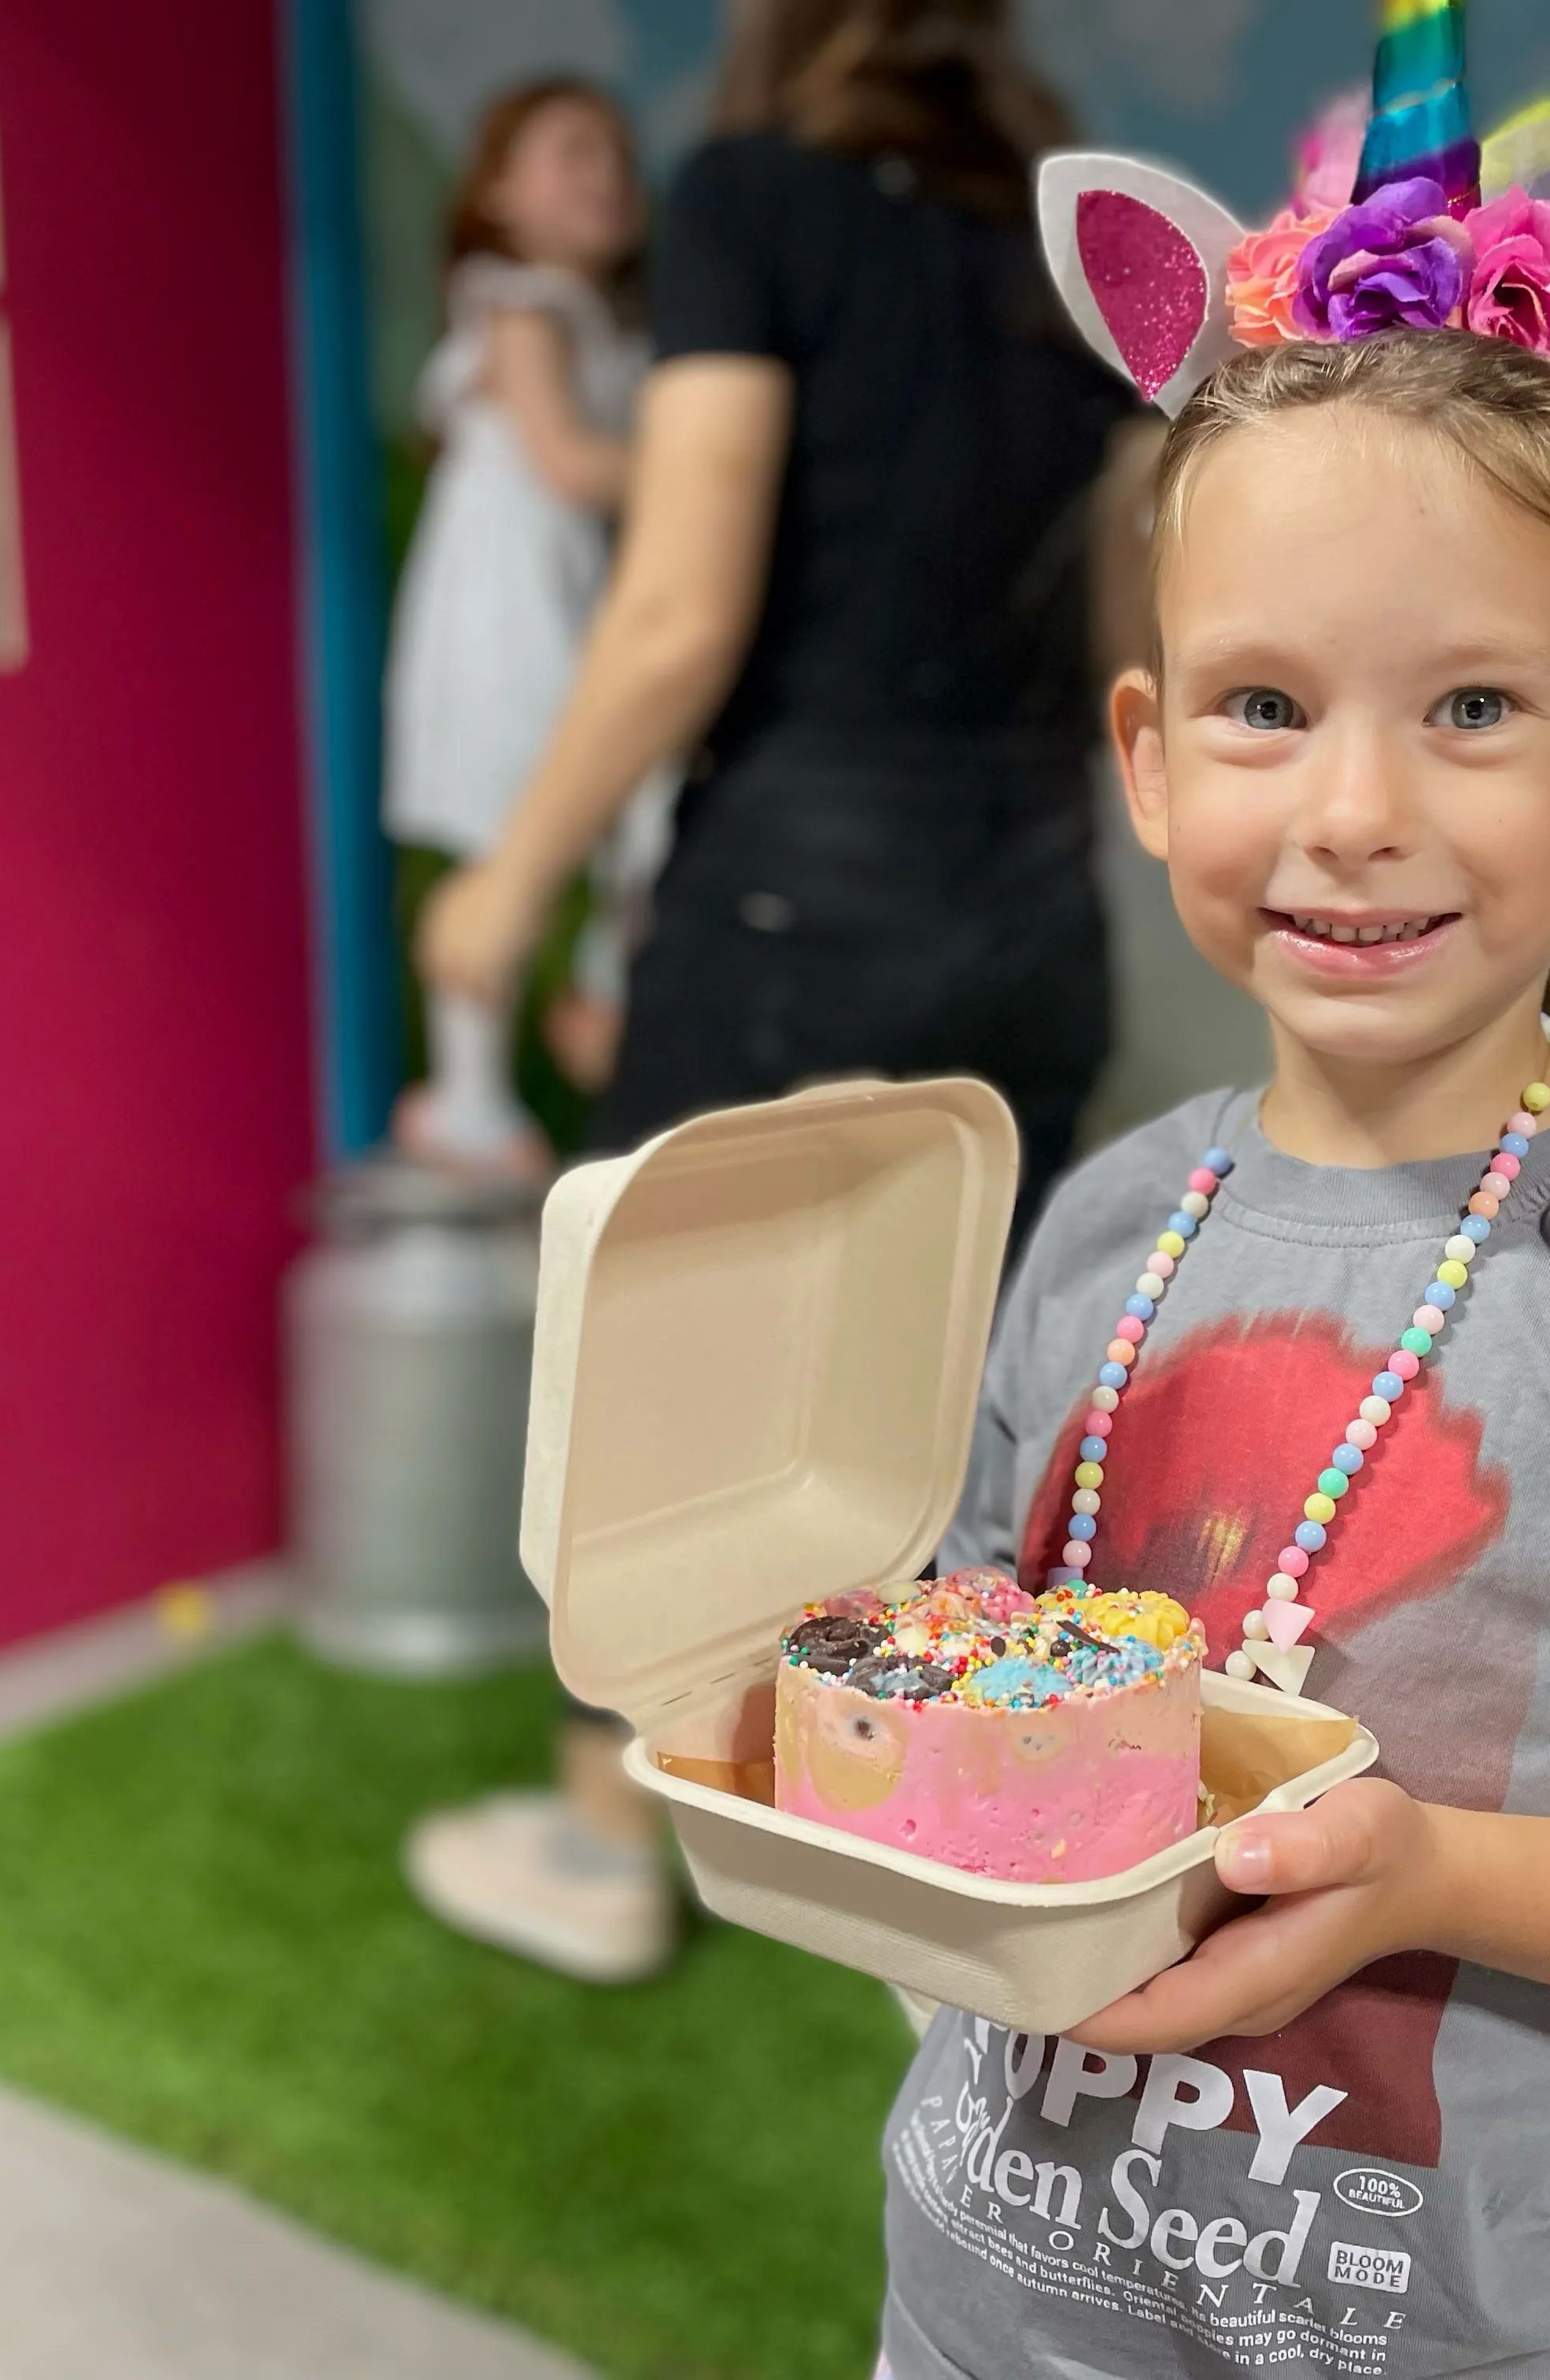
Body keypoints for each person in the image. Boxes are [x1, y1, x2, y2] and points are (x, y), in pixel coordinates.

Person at [869, 41, 1550, 2378]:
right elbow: (964, 1679)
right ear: (1149, 755)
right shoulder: (1101, 1224)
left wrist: (1434, 1874)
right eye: (1264, 707)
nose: (1356, 809)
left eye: (1475, 708)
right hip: (986, 2317)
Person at [404, 0, 1140, 1985]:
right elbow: (1123, 624)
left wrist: (511, 879)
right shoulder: (1061, 256)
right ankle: (942, 1841)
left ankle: (602, 1850)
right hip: (1036, 902)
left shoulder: (753, 202)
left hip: (798, 899)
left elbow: (678, 607)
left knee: (661, 1395)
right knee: (962, 1400)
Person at [382, 77, 667, 1176]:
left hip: (575, 601)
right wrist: (714, 475)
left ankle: (599, 993)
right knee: (510, 823)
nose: (606, 176)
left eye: (616, 155)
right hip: (510, 616)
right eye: (572, 152)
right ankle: (470, 1091)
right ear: (496, 194)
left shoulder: (615, 329)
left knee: (636, 795)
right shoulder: (520, 305)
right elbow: (565, 459)